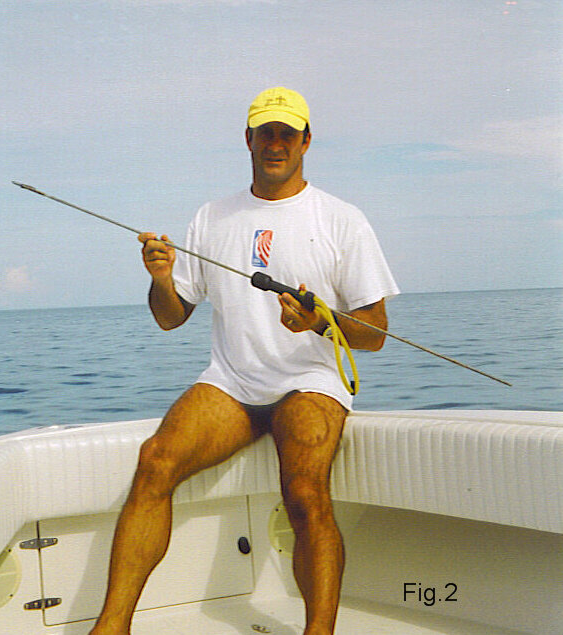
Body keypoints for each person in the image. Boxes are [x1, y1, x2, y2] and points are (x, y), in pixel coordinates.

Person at [90, 86, 399, 635]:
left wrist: (320, 321)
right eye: (265, 133)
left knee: (304, 492)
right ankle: (111, 627)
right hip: (232, 384)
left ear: (306, 141)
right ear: (248, 139)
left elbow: (375, 332)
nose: (276, 144)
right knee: (155, 461)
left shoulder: (341, 219)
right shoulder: (213, 216)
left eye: (287, 133)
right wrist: (161, 278)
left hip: (310, 381)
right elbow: (170, 317)